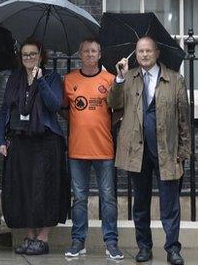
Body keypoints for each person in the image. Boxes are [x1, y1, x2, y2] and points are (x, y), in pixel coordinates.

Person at [107, 37, 190, 265]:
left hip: (167, 150)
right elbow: (112, 102)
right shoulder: (129, 78)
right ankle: (144, 247)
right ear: (135, 53)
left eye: (148, 51)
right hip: (137, 150)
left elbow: (184, 118)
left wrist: (184, 150)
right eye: (140, 51)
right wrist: (120, 77)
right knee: (141, 204)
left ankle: (173, 249)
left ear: (157, 53)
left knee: (170, 205)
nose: (144, 54)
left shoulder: (175, 79)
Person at [0, 37, 69, 256]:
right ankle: (30, 236)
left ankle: (43, 237)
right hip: (20, 140)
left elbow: (55, 105)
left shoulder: (51, 76)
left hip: (46, 141)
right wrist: (1, 140)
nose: (29, 57)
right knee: (24, 188)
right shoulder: (14, 79)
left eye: (33, 54)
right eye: (25, 54)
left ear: (41, 56)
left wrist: (41, 81)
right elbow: (4, 111)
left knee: (46, 188)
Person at [62, 38, 123, 259]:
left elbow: (119, 108)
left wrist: (103, 123)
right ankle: (78, 241)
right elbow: (63, 110)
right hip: (77, 149)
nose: (89, 54)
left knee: (108, 197)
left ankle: (111, 242)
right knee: (78, 198)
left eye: (94, 51)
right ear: (80, 54)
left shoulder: (110, 79)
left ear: (100, 54)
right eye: (86, 51)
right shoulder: (69, 80)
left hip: (104, 149)